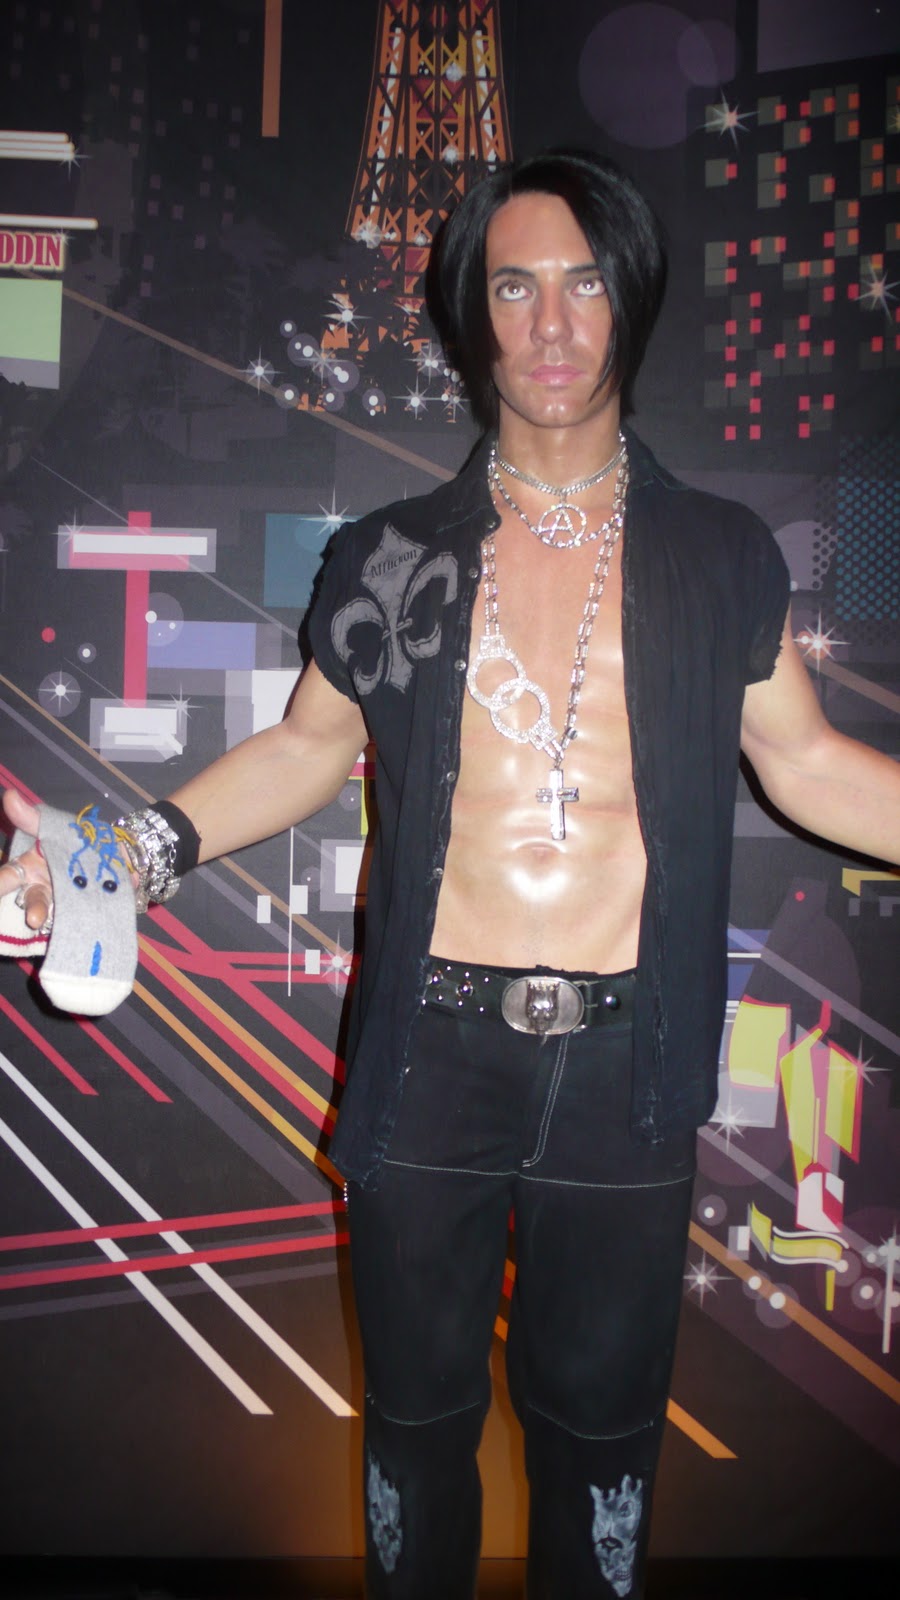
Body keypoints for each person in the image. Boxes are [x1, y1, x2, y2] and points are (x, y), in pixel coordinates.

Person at [2, 149, 898, 1598]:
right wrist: (125, 852)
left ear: (630, 303)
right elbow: (305, 749)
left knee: (602, 1445)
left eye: (585, 284)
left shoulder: (717, 553)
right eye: (516, 287)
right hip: (430, 1058)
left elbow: (806, 764)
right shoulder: (391, 554)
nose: (552, 325)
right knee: (415, 1435)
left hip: (629, 1067)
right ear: (475, 315)